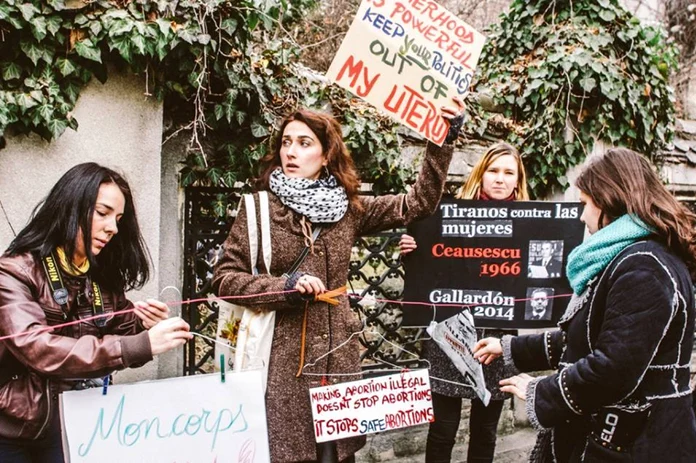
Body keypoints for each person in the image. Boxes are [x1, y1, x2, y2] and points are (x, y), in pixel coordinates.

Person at [212, 101, 465, 463]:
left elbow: (418, 203)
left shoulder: (348, 209)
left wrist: (443, 136)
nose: (291, 152)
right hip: (282, 370)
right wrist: (285, 286)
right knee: (288, 454)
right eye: (286, 142)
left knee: (339, 457)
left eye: (304, 143)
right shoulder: (258, 209)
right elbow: (224, 279)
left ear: (326, 155)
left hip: (339, 365)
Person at [474, 148, 696, 462]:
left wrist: (542, 390)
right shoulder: (630, 257)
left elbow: (614, 367)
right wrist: (509, 347)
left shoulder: (643, 267)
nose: (581, 216)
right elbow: (586, 339)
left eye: (584, 204)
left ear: (609, 200)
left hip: (635, 442)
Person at [0, 163, 192, 462]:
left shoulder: (99, 276)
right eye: (102, 213)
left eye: (118, 219)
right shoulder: (14, 272)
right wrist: (140, 344)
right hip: (12, 432)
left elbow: (119, 326)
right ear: (70, 207)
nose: (113, 228)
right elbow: (38, 348)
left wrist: (143, 324)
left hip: (76, 426)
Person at [399, 142, 530, 463]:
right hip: (450, 332)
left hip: (498, 339)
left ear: (518, 180)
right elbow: (431, 275)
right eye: (493, 170)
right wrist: (413, 254)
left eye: (508, 172)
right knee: (443, 428)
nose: (500, 179)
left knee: (485, 430)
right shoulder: (448, 218)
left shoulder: (532, 224)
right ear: (481, 175)